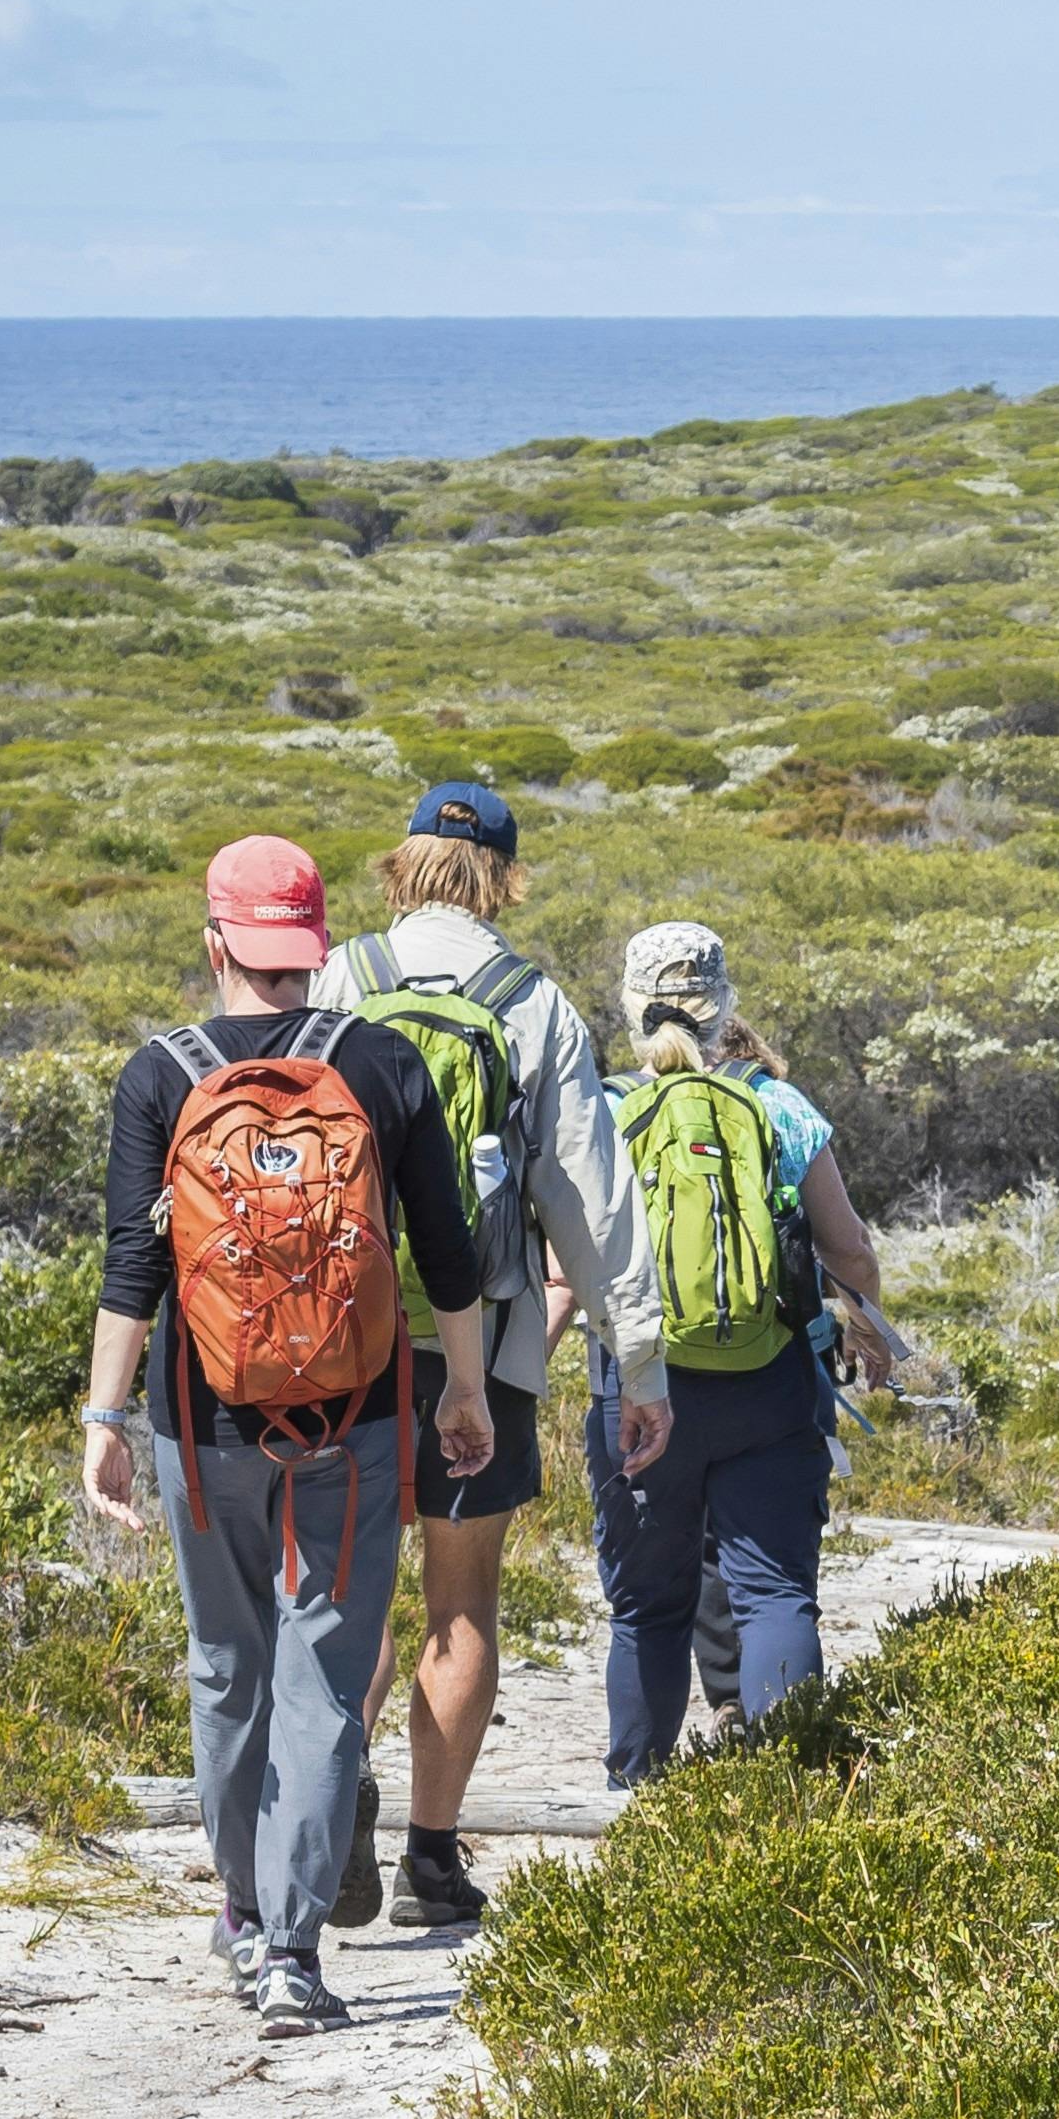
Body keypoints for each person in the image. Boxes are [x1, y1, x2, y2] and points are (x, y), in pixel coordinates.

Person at [77, 836, 495, 2040]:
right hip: (353, 1419)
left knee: (227, 1663)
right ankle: (293, 1954)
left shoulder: (158, 1074)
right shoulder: (381, 1060)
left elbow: (133, 1262)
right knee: (324, 1676)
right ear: (314, 945)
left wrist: (106, 1417)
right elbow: (446, 1248)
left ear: (217, 941)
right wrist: (464, 1387)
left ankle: (245, 1910)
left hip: (201, 1425)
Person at [310, 781, 675, 1931]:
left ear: (403, 861)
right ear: (505, 876)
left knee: (346, 1598)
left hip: (342, 1344)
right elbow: (590, 1198)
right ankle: (430, 1859)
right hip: (490, 1344)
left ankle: (332, 1794)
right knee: (460, 1605)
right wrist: (640, 1360)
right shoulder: (534, 1004)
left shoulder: (341, 980)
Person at [584, 925, 891, 1784]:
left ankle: (634, 1794)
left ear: (630, 1005)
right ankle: (784, 1794)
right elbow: (850, 1248)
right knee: (776, 1595)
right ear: (725, 1006)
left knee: (646, 1608)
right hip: (772, 1386)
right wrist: (869, 1330)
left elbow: (566, 1264)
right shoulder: (778, 1106)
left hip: (639, 1387)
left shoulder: (603, 1110)